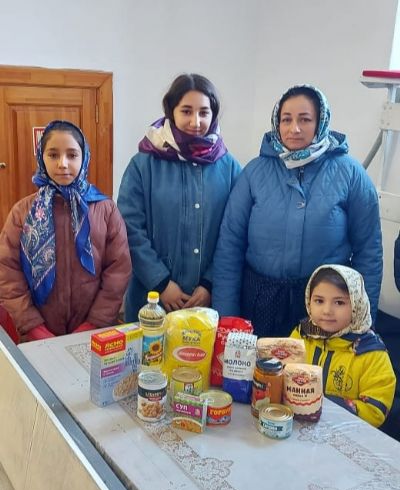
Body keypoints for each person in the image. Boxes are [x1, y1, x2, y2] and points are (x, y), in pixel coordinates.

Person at [212, 84, 382, 337]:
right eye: (286, 119)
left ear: (320, 122)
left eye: (305, 119)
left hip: (324, 307)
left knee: (314, 364)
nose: (294, 128)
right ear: (276, 123)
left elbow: (368, 252)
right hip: (259, 301)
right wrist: (226, 320)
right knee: (260, 363)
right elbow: (229, 247)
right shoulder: (254, 173)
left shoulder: (351, 174)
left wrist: (361, 323)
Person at [118, 73, 241, 322]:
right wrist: (161, 283)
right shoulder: (143, 164)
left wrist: (209, 283)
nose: (196, 121)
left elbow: (235, 233)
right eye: (186, 111)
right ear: (171, 111)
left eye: (204, 112)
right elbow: (129, 229)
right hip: (151, 299)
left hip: (206, 303)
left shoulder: (229, 167)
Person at [0, 120, 132, 342]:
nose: (62, 163)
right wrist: (32, 326)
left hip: (93, 333)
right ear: (41, 157)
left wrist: (95, 322)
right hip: (37, 335)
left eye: (72, 155)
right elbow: (7, 272)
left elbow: (118, 269)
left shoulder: (105, 210)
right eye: (53, 155)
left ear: (84, 157)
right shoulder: (23, 212)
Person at [290, 264, 395, 428]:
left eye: (339, 302)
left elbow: (375, 409)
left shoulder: (371, 352)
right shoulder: (302, 334)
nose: (327, 310)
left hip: (346, 433)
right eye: (319, 301)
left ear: (356, 305)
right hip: (296, 426)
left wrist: (324, 407)